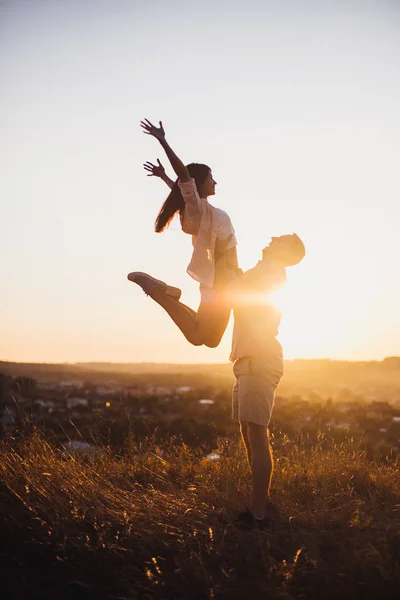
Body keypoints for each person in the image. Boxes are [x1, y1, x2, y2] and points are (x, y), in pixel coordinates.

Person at [128, 118, 240, 348]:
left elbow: (183, 193)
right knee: (202, 338)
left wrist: (164, 178)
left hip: (222, 281)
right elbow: (185, 182)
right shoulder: (199, 211)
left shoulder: (199, 210)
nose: (215, 181)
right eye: (211, 177)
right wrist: (163, 141)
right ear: (199, 182)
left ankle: (169, 294)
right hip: (221, 282)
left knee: (208, 340)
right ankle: (159, 293)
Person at [230, 234, 306, 529]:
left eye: (280, 239)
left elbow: (237, 294)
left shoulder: (270, 273)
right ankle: (262, 501)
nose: (272, 238)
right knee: (249, 433)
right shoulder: (265, 272)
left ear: (285, 251)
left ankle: (259, 513)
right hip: (248, 361)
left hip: (259, 361)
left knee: (257, 434)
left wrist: (231, 277)